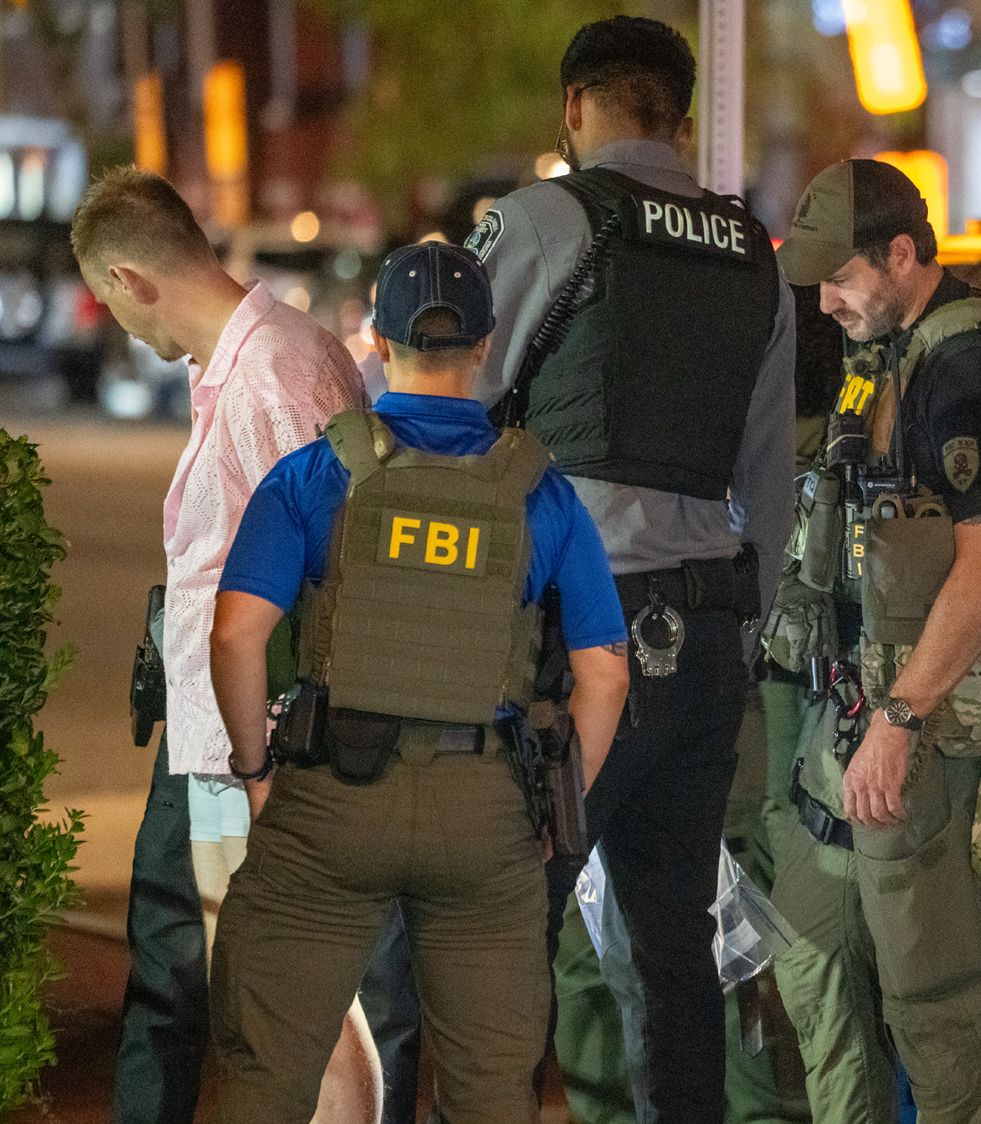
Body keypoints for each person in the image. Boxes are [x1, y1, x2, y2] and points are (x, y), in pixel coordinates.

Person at [203, 241, 630, 1124]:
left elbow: (239, 633)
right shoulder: (539, 493)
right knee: (490, 1092)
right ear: (483, 347)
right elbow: (605, 672)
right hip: (484, 811)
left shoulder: (319, 471)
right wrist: (562, 808)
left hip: (331, 799)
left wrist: (257, 772)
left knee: (267, 1077)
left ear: (376, 336)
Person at [465, 16, 795, 1124]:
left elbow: (449, 414)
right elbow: (772, 487)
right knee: (671, 951)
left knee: (506, 922)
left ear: (571, 109)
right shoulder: (754, 256)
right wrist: (731, 642)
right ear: (683, 123)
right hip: (704, 639)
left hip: (577, 643)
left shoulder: (542, 220)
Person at [760, 157, 981, 1124]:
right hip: (858, 710)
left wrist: (900, 721)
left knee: (934, 999)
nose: (824, 301)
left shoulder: (971, 367)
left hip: (930, 722)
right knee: (812, 955)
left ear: (902, 253)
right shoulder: (890, 355)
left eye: (842, 277)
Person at [73, 166, 392, 1124]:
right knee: (196, 981)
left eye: (109, 302)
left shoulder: (276, 374)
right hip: (220, 738)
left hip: (249, 748)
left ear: (132, 280)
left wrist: (270, 768)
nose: (121, 326)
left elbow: (335, 569)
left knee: (286, 1007)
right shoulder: (254, 362)